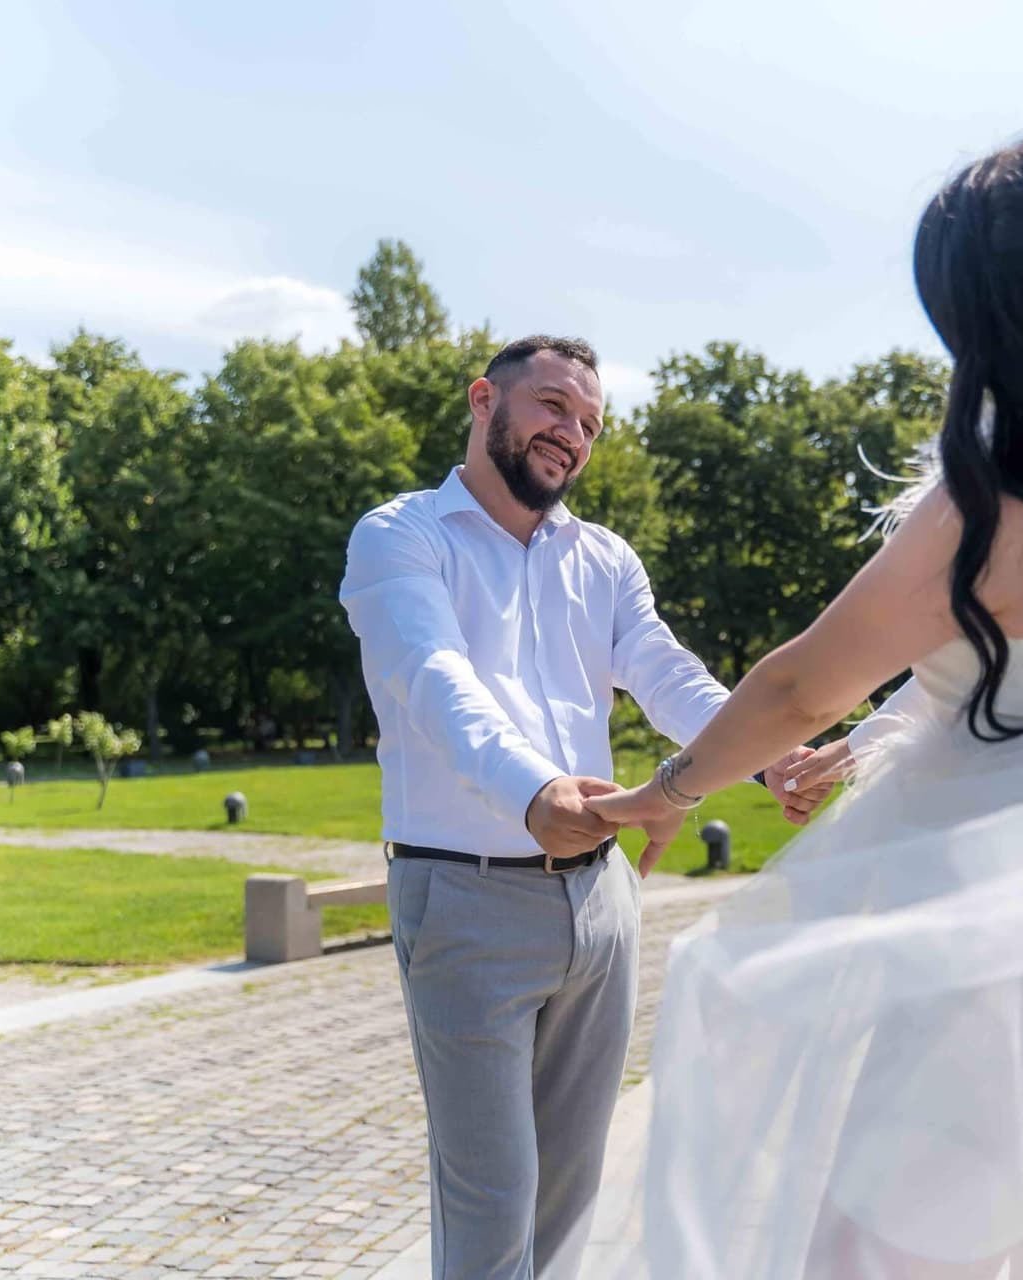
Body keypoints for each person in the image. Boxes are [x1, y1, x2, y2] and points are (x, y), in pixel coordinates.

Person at [586, 129, 1023, 1276]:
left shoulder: (988, 506)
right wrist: (876, 742)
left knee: (873, 1252)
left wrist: (668, 790)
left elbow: (802, 680)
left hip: (990, 960)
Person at [338, 334, 832, 1280]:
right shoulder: (400, 536)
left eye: (591, 424)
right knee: (491, 1209)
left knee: (568, 1200)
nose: (573, 434)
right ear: (485, 401)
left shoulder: (604, 559)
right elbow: (433, 677)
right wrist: (532, 791)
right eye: (554, 407)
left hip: (603, 905)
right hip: (465, 901)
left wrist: (768, 757)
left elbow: (664, 672)